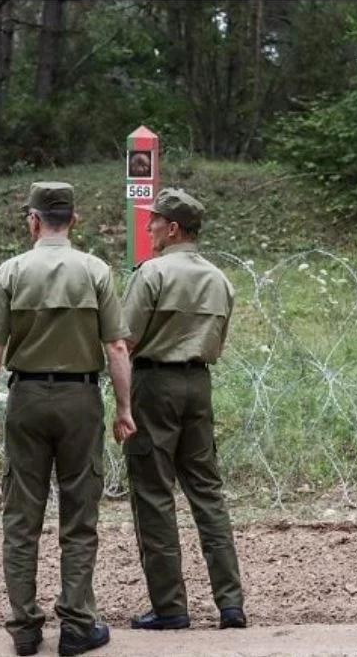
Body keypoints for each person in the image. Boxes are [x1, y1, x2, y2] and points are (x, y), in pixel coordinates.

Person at [0, 181, 136, 656]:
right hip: (80, 400)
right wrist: (124, 410)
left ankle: (25, 628)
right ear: (75, 220)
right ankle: (77, 624)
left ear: (34, 220)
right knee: (79, 516)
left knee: (22, 518)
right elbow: (117, 347)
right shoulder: (95, 270)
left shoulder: (11, 271)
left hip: (25, 398)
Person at [120, 188, 247, 631]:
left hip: (155, 383)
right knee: (207, 492)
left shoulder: (151, 274)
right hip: (199, 383)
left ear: (172, 228)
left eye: (154, 221)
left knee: (154, 493)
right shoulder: (220, 279)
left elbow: (126, 339)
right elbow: (220, 341)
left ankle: (170, 606)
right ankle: (231, 603)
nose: (149, 227)